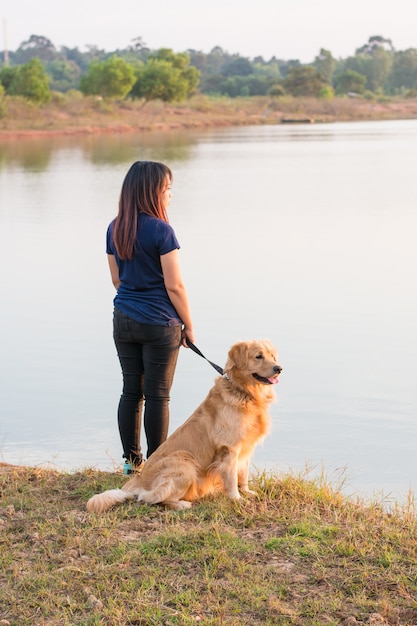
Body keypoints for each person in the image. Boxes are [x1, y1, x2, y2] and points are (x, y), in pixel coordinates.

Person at [106, 160, 195, 474]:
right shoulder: (161, 230)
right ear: (152, 192)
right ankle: (157, 468)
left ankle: (132, 465)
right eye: (167, 189)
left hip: (124, 319)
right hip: (160, 324)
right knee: (158, 396)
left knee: (131, 391)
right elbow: (175, 285)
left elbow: (117, 281)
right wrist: (189, 326)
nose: (170, 195)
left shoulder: (115, 227)